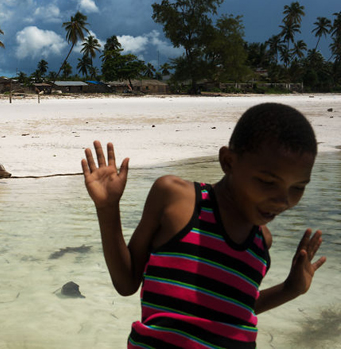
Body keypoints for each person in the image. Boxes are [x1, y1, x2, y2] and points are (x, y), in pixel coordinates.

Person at [81, 103, 326, 348]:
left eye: (298, 187)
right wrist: (107, 209)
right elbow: (126, 283)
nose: (283, 200)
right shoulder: (175, 198)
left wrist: (289, 290)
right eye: (267, 182)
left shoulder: (261, 241)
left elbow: (233, 312)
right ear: (228, 161)